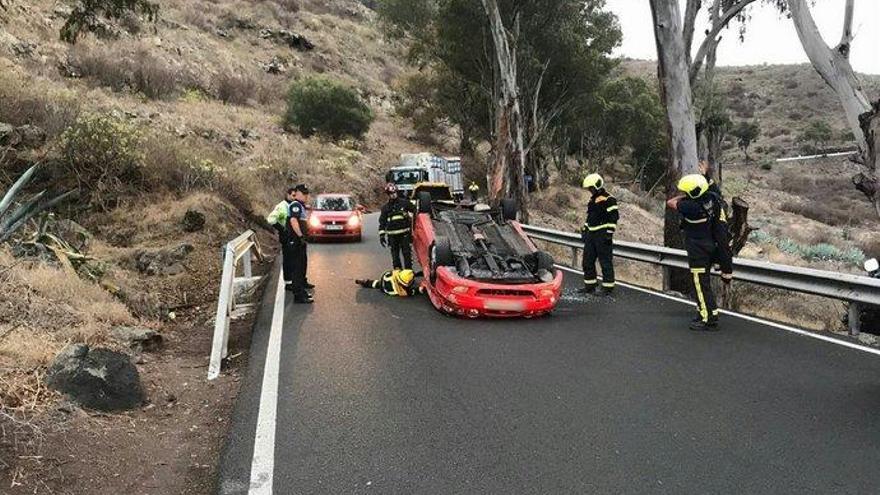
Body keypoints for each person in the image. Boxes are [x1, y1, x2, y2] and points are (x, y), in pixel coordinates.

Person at [667, 174, 734, 331]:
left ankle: (707, 318)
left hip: (698, 251)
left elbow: (671, 202)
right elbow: (715, 191)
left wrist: (683, 195)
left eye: (686, 191)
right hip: (710, 246)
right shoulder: (712, 199)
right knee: (702, 284)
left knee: (700, 284)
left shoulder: (691, 207)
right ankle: (703, 311)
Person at [579, 173, 619, 295]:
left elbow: (614, 217)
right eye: (589, 188)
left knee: (605, 261)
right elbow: (589, 217)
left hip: (602, 234)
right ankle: (590, 285)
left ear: (597, 185)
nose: (590, 190)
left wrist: (609, 233)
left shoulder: (609, 199)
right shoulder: (592, 200)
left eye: (591, 188)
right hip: (591, 234)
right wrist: (585, 230)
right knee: (587, 260)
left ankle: (608, 287)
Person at [379, 183, 417, 270]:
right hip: (392, 237)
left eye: (394, 193)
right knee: (395, 257)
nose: (393, 195)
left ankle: (408, 273)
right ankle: (398, 274)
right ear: (388, 195)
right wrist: (381, 235)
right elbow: (382, 222)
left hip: (405, 235)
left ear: (397, 192)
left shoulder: (405, 203)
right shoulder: (385, 208)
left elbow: (415, 211)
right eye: (391, 194)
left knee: (407, 255)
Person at [287, 184, 314, 303]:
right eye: (303, 193)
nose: (305, 196)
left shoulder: (301, 206)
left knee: (302, 265)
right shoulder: (295, 205)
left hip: (300, 241)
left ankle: (301, 289)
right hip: (296, 240)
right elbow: (293, 220)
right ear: (296, 193)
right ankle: (298, 295)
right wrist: (301, 236)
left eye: (306, 193)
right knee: (298, 268)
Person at [267, 188, 295, 291]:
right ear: (287, 195)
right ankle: (288, 282)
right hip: (286, 236)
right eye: (293, 195)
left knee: (293, 259)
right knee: (288, 260)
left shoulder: (292, 205)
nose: (294, 197)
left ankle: (293, 280)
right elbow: (271, 219)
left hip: (292, 236)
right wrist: (282, 229)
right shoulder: (281, 206)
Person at [355, 269, 425, 297]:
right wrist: (419, 289)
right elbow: (412, 291)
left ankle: (365, 282)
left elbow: (390, 272)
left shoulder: (396, 274)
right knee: (377, 284)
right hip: (386, 289)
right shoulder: (402, 291)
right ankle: (365, 282)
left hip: (385, 279)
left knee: (376, 284)